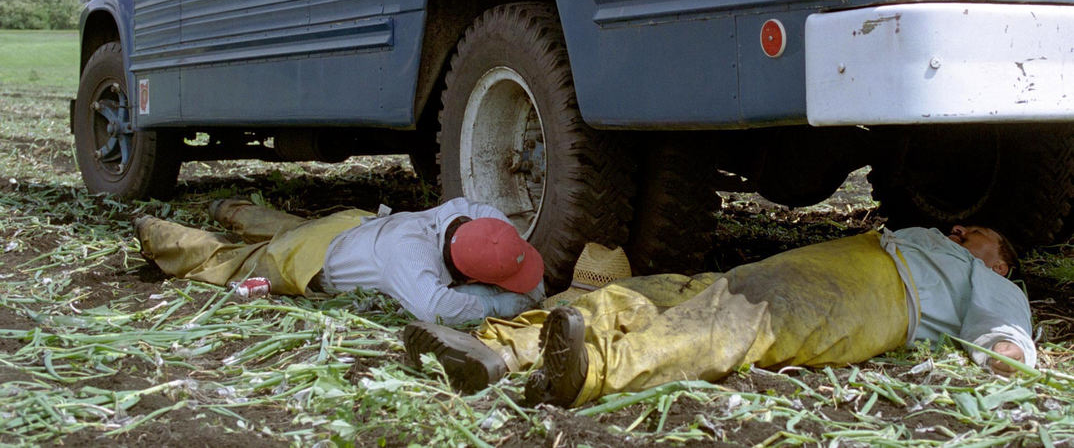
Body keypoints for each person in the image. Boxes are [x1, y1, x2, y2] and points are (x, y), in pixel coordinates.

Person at [404, 224, 1035, 405]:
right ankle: (499, 348)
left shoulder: (988, 279)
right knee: (666, 292)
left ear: (999, 264)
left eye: (979, 232)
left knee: (736, 323)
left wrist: (1007, 354)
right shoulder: (932, 238)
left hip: (879, 295)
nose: (962, 229)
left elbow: (1006, 331)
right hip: (824, 263)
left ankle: (591, 371)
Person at [134, 197, 545, 325]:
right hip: (312, 261)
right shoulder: (409, 260)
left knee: (286, 226)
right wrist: (493, 303)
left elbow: (499, 231)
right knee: (227, 260)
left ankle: (226, 206)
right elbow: (435, 309)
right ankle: (153, 229)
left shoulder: (467, 213)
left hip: (351, 225)